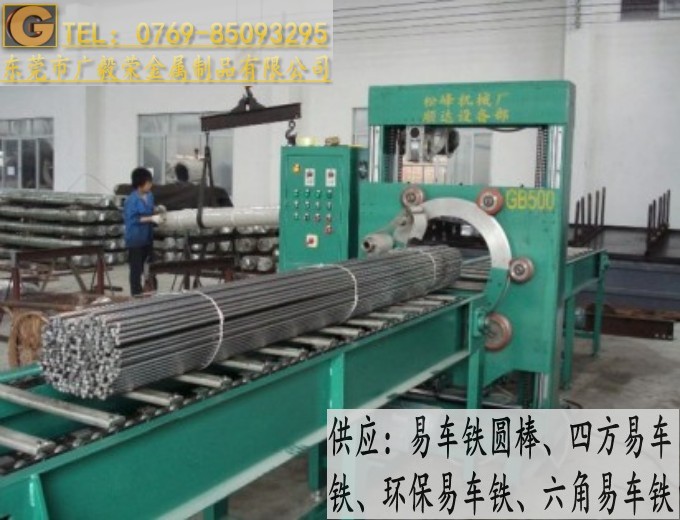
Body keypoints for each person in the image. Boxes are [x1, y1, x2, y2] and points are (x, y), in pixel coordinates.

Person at [123, 167, 157, 296]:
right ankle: (136, 294)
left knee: (150, 267)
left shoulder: (150, 196)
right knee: (136, 269)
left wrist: (157, 210)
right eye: (148, 183)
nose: (150, 185)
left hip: (147, 237)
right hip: (135, 238)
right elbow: (132, 219)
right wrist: (151, 218)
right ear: (140, 184)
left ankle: (151, 291)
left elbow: (151, 209)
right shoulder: (131, 200)